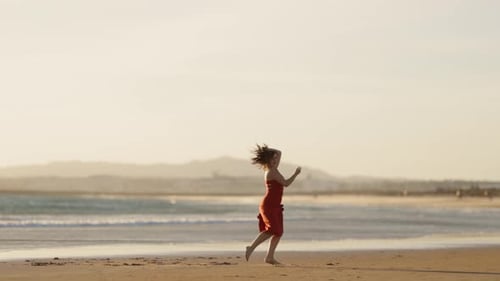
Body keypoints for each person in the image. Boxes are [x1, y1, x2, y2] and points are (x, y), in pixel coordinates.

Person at [245, 144, 301, 265]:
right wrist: (296, 174)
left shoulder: (273, 168)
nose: (276, 160)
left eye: (276, 159)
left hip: (274, 205)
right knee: (272, 230)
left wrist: (268, 151)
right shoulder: (272, 172)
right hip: (269, 205)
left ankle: (270, 257)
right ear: (268, 160)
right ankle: (251, 247)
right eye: (273, 159)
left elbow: (279, 152)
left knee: (278, 232)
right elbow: (286, 183)